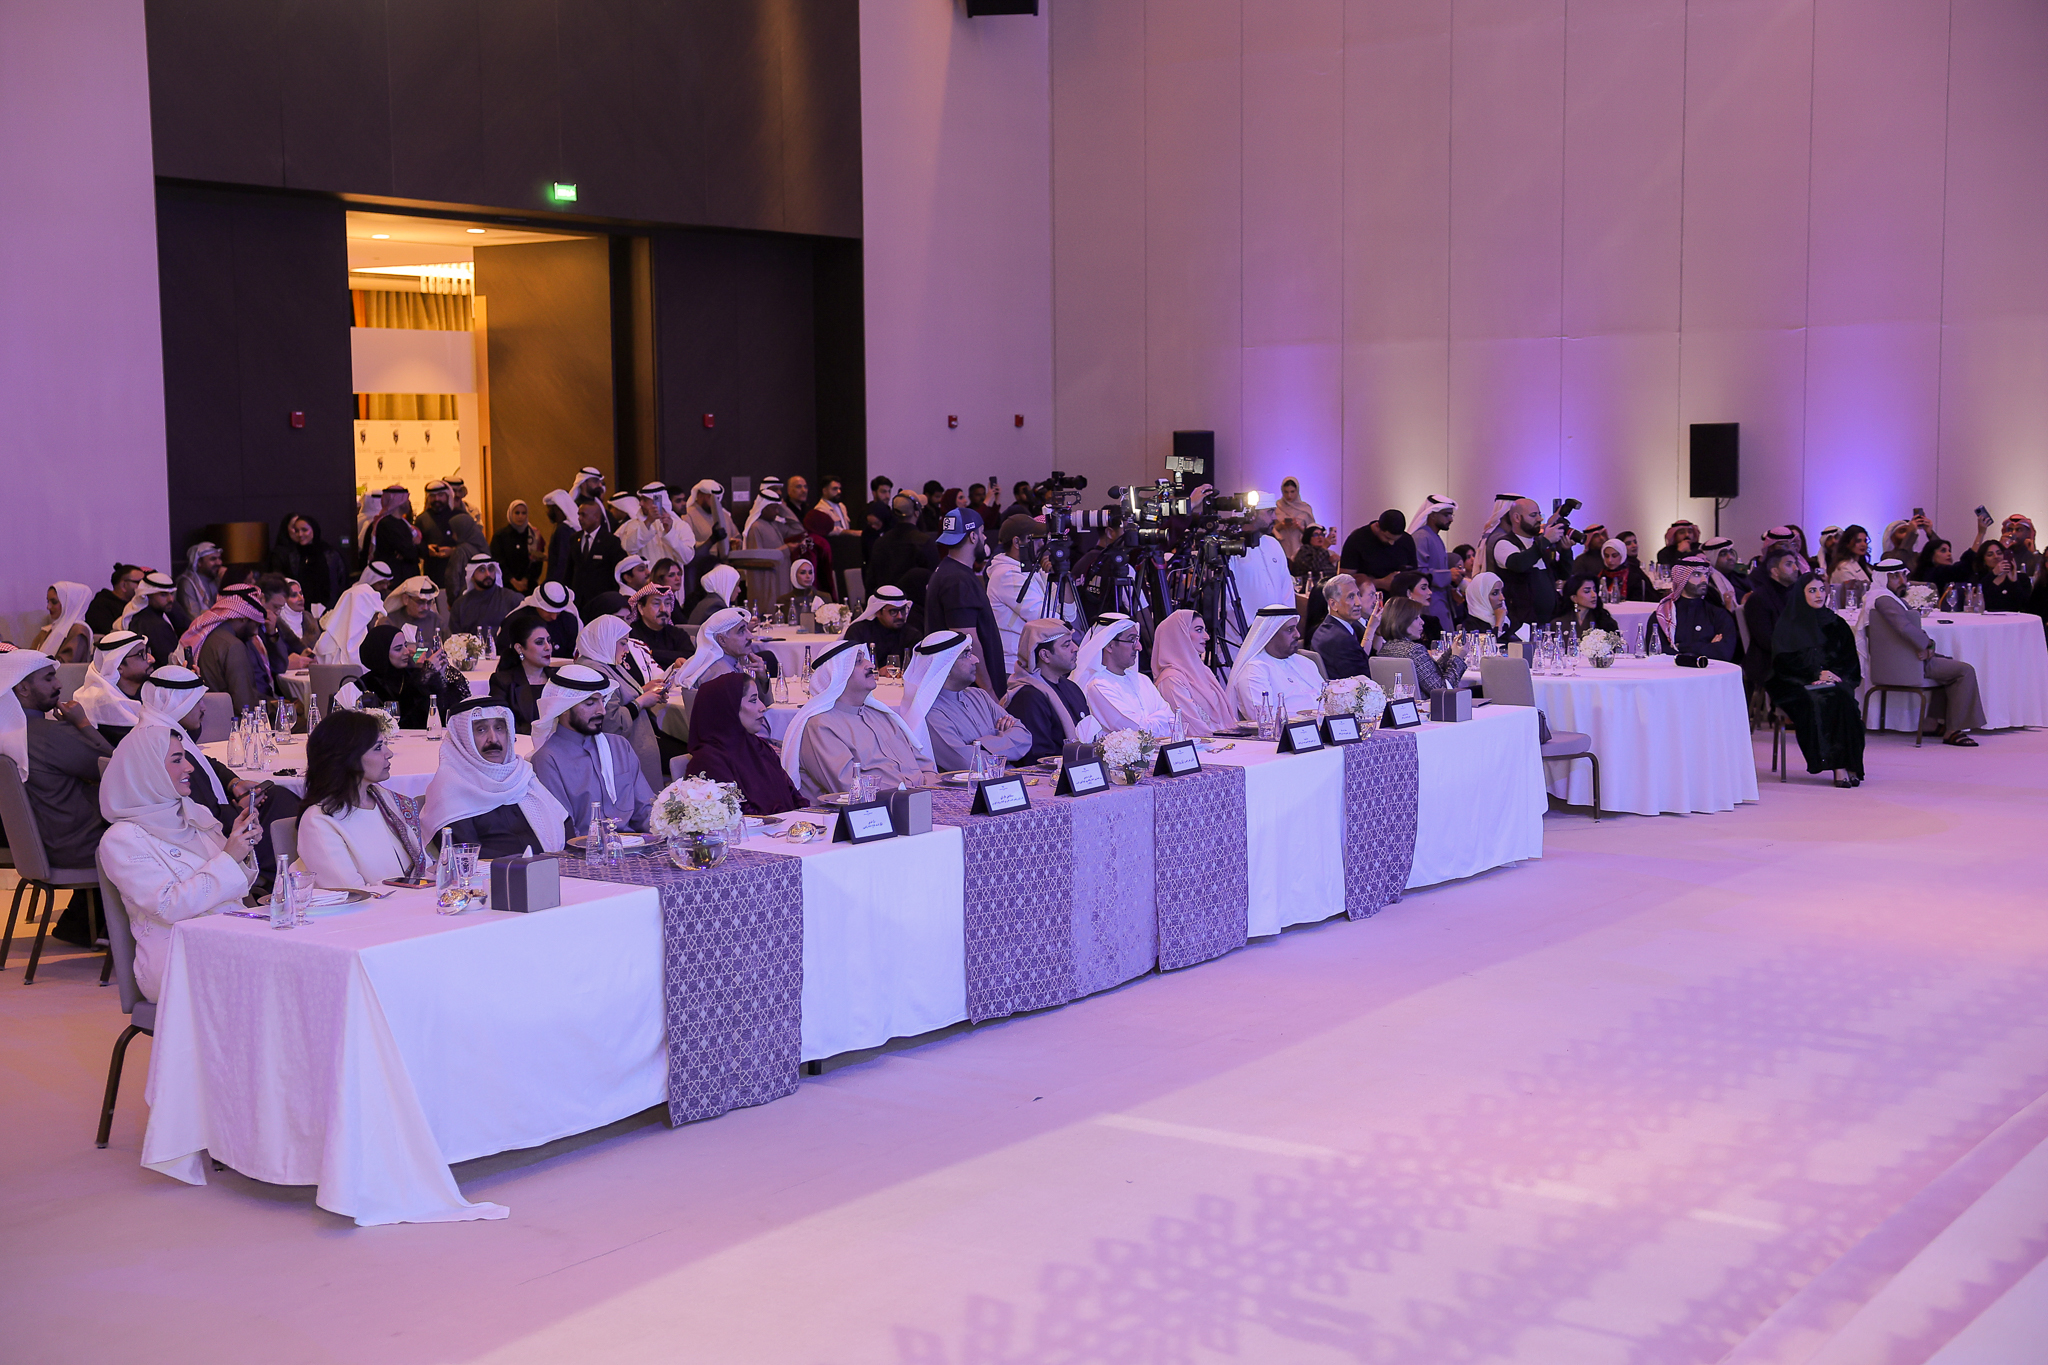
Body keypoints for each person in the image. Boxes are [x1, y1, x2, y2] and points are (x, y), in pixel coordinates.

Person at [96, 724, 260, 1002]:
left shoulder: (194, 814)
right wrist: (230, 857)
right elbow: (168, 906)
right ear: (147, 769)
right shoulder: (121, 839)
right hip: (177, 956)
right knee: (276, 977)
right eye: (176, 760)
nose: (189, 767)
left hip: (231, 936)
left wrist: (242, 846)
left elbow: (236, 884)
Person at [3, 650, 115, 878]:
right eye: (48, 678)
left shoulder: (8, 734)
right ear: (22, 688)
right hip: (84, 847)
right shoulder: (48, 734)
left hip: (42, 848)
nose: (59, 684)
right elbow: (114, 767)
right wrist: (82, 724)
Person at [782, 640, 934, 802]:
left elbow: (925, 766)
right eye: (858, 661)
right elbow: (850, 789)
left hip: (921, 799)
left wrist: (932, 791)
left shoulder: (882, 715)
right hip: (875, 810)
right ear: (839, 673)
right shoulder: (820, 726)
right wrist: (914, 796)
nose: (871, 665)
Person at [1857, 557, 1987, 746]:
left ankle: (1931, 723)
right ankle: (1953, 730)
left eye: (1903, 575)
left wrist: (1928, 647)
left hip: (1897, 662)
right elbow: (1904, 628)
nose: (1903, 581)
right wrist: (1928, 645)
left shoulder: (1878, 597)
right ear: (1885, 578)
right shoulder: (1884, 600)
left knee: (1949, 664)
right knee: (1964, 671)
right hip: (1907, 663)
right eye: (1897, 577)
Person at [293, 710, 430, 889]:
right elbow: (352, 894)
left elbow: (424, 869)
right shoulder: (318, 821)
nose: (389, 753)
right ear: (348, 757)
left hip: (412, 901)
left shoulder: (387, 800)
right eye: (378, 748)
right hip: (368, 906)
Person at [421, 696, 571, 857]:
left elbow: (563, 825)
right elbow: (465, 858)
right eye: (481, 730)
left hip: (554, 867)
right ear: (462, 738)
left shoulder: (522, 775)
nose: (493, 739)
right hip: (498, 872)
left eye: (499, 728)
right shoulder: (449, 791)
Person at [530, 664, 656, 835]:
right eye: (590, 703)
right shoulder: (548, 760)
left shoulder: (619, 746)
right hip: (584, 849)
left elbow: (645, 811)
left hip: (635, 844)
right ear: (563, 709)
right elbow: (564, 830)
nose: (602, 711)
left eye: (602, 701)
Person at [1767, 575, 1866, 786]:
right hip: (1794, 684)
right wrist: (1814, 675)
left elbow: (1849, 661)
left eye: (1821, 589)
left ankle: (1851, 764)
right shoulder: (1789, 624)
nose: (1819, 595)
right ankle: (1839, 767)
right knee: (1824, 699)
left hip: (1832, 681)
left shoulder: (1837, 623)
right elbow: (1782, 662)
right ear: (1800, 594)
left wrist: (1834, 677)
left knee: (1842, 697)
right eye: (1812, 591)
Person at [898, 630, 1034, 770]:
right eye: (967, 654)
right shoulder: (930, 712)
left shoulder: (979, 696)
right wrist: (1002, 738)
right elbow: (966, 763)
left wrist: (979, 745)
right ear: (945, 666)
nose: (976, 660)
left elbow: (1024, 737)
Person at [570, 614, 671, 788]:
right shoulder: (594, 673)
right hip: (622, 756)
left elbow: (621, 696)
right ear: (605, 640)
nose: (627, 650)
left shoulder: (606, 663)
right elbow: (610, 721)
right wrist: (641, 702)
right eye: (623, 643)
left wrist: (644, 690)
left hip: (633, 748)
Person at [684, 672, 804, 816]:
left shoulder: (758, 746)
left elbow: (792, 795)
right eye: (753, 700)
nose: (762, 707)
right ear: (729, 707)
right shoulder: (708, 762)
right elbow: (734, 816)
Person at [925, 508, 1007, 694]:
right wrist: (988, 690)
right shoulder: (957, 580)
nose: (984, 538)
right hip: (971, 693)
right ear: (973, 536)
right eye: (982, 532)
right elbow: (967, 641)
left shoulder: (948, 571)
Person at [1004, 618, 1101, 760]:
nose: (1075, 648)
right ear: (1045, 655)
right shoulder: (1028, 697)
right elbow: (1037, 757)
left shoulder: (1071, 687)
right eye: (1066, 645)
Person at [353, 623, 468, 729]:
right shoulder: (365, 684)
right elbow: (398, 721)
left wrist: (440, 676)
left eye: (405, 645)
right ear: (381, 653)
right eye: (398, 649)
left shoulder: (413, 674)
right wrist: (424, 675)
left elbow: (444, 714)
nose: (406, 652)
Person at [1076, 617, 1176, 736]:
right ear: (1109, 646)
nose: (1139, 647)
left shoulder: (1143, 679)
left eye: (1137, 640)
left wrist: (1150, 723)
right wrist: (1160, 718)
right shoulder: (1098, 686)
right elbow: (1136, 732)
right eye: (1131, 640)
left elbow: (1173, 722)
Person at [1226, 604, 1326, 721]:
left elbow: (1328, 700)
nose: (1297, 635)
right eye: (1290, 630)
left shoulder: (1305, 662)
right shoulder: (1254, 669)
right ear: (1270, 634)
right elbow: (1263, 720)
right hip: (1290, 731)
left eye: (1296, 628)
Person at [1485, 497, 1571, 630]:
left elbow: (1563, 574)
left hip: (1548, 623)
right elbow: (1519, 564)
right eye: (1533, 515)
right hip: (1520, 625)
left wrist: (1565, 550)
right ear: (1517, 518)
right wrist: (1546, 540)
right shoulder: (1504, 543)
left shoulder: (1539, 544)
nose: (1539, 519)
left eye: (1539, 514)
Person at [186, 588, 275, 713]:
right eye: (255, 625)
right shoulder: (233, 646)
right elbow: (244, 705)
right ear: (243, 618)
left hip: (209, 713)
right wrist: (274, 708)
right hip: (230, 718)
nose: (255, 632)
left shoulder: (209, 636)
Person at [1149, 610, 1236, 736]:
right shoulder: (1171, 679)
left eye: (1204, 630)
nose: (1207, 636)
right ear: (1179, 635)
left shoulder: (1204, 671)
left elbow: (1227, 721)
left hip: (1227, 741)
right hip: (1206, 745)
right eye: (1199, 630)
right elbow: (1192, 729)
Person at [1227, 507, 1298, 649]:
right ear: (1252, 514)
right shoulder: (1230, 546)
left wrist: (1288, 625)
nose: (1275, 518)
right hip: (1240, 638)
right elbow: (1227, 596)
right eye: (1270, 512)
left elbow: (1286, 589)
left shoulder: (1273, 544)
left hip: (1277, 637)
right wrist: (1252, 629)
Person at [986, 515, 1053, 663]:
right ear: (1017, 542)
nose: (1042, 544)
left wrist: (1057, 575)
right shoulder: (1007, 575)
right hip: (1014, 664)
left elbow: (1069, 615)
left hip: (1030, 659)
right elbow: (1046, 620)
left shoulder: (1031, 569)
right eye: (1035, 538)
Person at [1647, 558, 1740, 661]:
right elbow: (1656, 652)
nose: (1704, 580)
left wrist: (1680, 647)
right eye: (1697, 574)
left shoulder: (1718, 615)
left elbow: (1724, 652)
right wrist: (1706, 647)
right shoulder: (1663, 616)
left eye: (1706, 575)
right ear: (1682, 579)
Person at [1742, 544, 1807, 692]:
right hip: (1770, 663)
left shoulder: (1795, 594)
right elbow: (1767, 640)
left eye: (1795, 564)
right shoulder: (1759, 598)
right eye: (1789, 564)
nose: (1796, 568)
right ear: (1775, 571)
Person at [1373, 599, 1469, 694]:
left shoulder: (1385, 649)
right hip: (1425, 704)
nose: (1422, 622)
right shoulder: (1414, 650)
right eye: (1416, 618)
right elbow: (1442, 691)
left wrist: (1452, 652)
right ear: (1402, 622)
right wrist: (1458, 658)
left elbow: (1430, 674)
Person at [76, 632, 154, 746]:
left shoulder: (145, 691)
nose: (152, 659)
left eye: (147, 652)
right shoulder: (103, 704)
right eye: (141, 654)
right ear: (117, 665)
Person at [314, 560, 395, 665]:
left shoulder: (384, 635)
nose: (377, 619)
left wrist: (414, 655)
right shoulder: (327, 644)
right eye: (374, 615)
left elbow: (411, 660)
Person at [489, 608, 554, 732]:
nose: (548, 647)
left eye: (549, 641)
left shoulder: (558, 679)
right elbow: (500, 725)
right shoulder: (503, 682)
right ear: (519, 648)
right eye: (539, 642)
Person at [267, 513, 346, 607]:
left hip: (331, 607)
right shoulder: (292, 555)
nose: (300, 534)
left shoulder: (330, 554)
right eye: (297, 531)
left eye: (304, 530)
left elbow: (341, 582)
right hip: (300, 608)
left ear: (314, 530)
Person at [564, 499, 626, 612]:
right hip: (577, 599)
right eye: (579, 514)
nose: (580, 518)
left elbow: (617, 572)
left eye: (584, 515)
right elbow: (570, 569)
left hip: (600, 600)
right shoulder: (575, 538)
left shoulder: (610, 541)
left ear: (597, 517)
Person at [1309, 574, 1375, 681]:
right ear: (1333, 604)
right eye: (1351, 597)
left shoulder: (1325, 629)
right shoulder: (1341, 639)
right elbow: (1364, 680)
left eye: (1358, 594)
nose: (1358, 603)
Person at [1409, 495, 1459, 634]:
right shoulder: (1421, 537)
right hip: (1429, 604)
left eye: (1451, 515)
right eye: (1446, 515)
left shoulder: (1434, 537)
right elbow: (1418, 574)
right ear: (1432, 514)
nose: (1451, 519)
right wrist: (1448, 575)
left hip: (1440, 600)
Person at [449, 556, 523, 638]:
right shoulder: (460, 605)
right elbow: (455, 639)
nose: (488, 574)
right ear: (472, 575)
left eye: (491, 569)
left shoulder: (512, 599)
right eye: (482, 570)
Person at [1342, 510, 1417, 592]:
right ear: (1377, 526)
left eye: (1395, 540)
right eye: (1387, 538)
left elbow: (1414, 572)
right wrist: (1380, 583)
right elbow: (1345, 580)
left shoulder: (1407, 540)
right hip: (1368, 595)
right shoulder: (1357, 539)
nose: (1391, 543)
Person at [844, 584, 920, 662]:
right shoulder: (858, 631)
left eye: (902, 610)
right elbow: (850, 664)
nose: (899, 616)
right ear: (878, 612)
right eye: (893, 612)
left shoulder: (912, 635)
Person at [124, 571, 185, 664]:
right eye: (163, 594)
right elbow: (168, 661)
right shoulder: (152, 624)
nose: (171, 599)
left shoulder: (159, 612)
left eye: (171, 594)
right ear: (147, 595)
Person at [629, 586, 695, 667]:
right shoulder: (631, 633)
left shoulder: (678, 633)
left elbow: (690, 657)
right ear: (641, 608)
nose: (663, 609)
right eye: (656, 603)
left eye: (667, 603)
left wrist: (651, 653)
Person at [490, 499, 547, 592]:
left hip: (529, 586)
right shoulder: (500, 536)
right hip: (506, 587)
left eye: (523, 513)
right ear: (510, 514)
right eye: (517, 513)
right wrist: (513, 581)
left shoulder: (534, 535)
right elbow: (497, 561)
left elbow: (538, 561)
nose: (520, 516)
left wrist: (526, 579)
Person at [371, 485, 424, 580]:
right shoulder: (386, 524)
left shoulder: (403, 523)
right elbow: (410, 553)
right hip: (396, 577)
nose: (409, 503)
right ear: (399, 501)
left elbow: (416, 551)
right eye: (406, 499)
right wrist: (414, 547)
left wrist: (416, 547)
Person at [32, 581, 93, 662]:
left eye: (54, 602)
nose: (48, 607)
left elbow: (67, 665)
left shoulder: (79, 631)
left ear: (69, 603)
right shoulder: (50, 629)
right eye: (48, 601)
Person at [521, 580, 582, 658]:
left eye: (558, 612)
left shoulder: (569, 621)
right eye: (549, 612)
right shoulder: (519, 620)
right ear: (537, 605)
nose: (554, 617)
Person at [685, 479, 739, 565]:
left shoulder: (724, 515)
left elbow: (736, 536)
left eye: (717, 498)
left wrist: (735, 543)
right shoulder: (688, 515)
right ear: (700, 495)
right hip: (702, 566)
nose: (714, 502)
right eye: (710, 497)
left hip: (726, 564)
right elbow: (688, 547)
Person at [87, 564, 146, 636]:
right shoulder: (100, 606)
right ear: (123, 585)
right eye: (139, 582)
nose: (144, 587)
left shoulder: (139, 604)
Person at [1458, 571, 1514, 644]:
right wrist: (1498, 624)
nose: (1502, 598)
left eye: (1501, 592)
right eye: (1495, 593)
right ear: (1481, 596)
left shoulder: (1508, 620)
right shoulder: (1470, 625)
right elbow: (1488, 647)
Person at [1553, 576, 1619, 635]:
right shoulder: (1558, 623)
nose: (1594, 595)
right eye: (1587, 591)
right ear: (1574, 598)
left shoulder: (1605, 622)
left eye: (1594, 590)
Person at [176, 541, 223, 623]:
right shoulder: (187, 583)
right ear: (199, 562)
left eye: (219, 558)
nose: (219, 563)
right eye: (213, 559)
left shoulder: (216, 579)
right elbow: (194, 618)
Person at [1978, 540, 2031, 612]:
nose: (1996, 556)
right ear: (1983, 560)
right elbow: (1981, 601)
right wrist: (1993, 574)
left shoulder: (2022, 578)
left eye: (1999, 553)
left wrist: (2014, 581)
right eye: (1990, 555)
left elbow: (2023, 605)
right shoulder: (1981, 578)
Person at [1272, 478, 1316, 562]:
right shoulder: (1276, 507)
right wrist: (1281, 526)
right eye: (1286, 492)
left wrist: (1300, 527)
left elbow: (1313, 532)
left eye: (1292, 492)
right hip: (1281, 547)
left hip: (1301, 549)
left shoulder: (1305, 508)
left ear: (1297, 491)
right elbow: (1269, 530)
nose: (1289, 496)